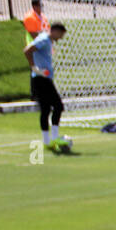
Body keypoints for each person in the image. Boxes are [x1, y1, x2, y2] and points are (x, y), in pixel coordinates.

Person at [23, 22, 67, 153]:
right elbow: (27, 50)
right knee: (58, 106)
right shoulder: (44, 39)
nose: (61, 38)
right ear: (55, 31)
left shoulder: (47, 40)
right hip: (41, 79)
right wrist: (34, 68)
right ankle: (54, 137)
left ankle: (47, 141)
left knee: (46, 109)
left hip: (43, 79)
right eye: (61, 35)